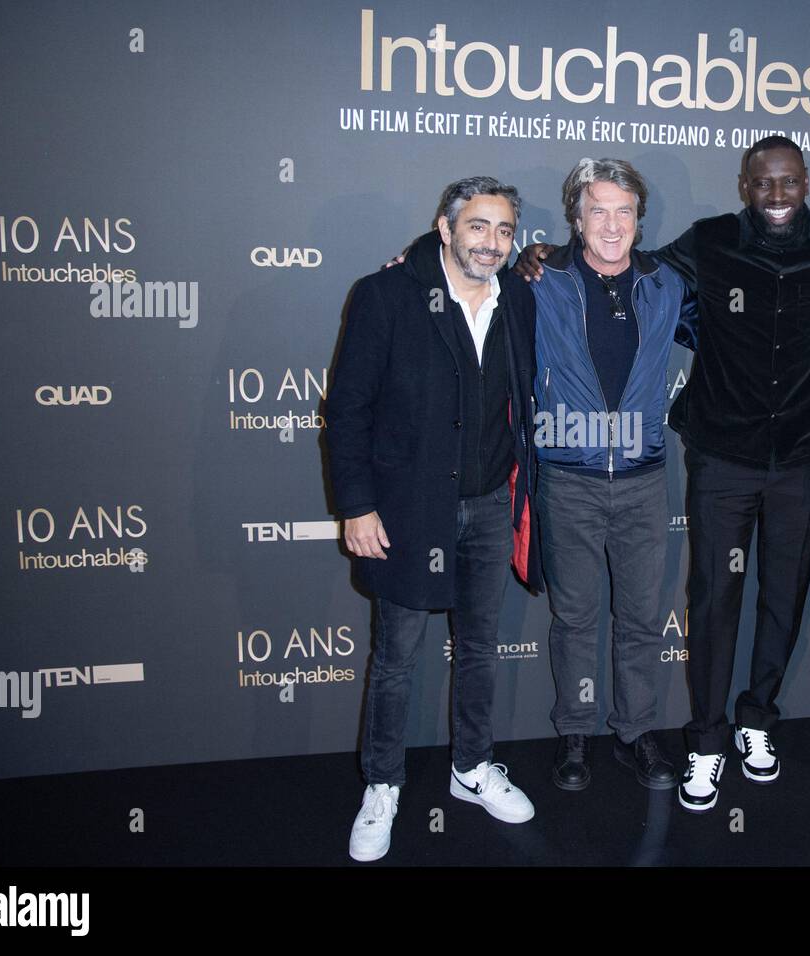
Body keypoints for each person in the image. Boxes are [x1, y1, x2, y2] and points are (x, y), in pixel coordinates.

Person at [518, 137, 810, 813]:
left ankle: (757, 721)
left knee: (783, 602)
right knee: (713, 601)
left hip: (805, 461)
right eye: (764, 183)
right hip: (721, 458)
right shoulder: (708, 242)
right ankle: (708, 739)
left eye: (789, 182)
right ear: (745, 185)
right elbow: (622, 265)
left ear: (805, 183)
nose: (777, 196)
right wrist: (541, 256)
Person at [324, 176, 543, 862]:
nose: (492, 242)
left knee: (479, 648)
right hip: (407, 512)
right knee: (396, 659)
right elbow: (348, 409)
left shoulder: (522, 301)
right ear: (444, 228)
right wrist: (356, 504)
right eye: (477, 226)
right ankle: (382, 784)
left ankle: (472, 766)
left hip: (489, 508)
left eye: (505, 230)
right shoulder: (386, 294)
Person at [531, 158, 696, 792]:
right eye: (597, 209)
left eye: (623, 211)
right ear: (576, 216)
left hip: (643, 479)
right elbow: (460, 255)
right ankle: (575, 731)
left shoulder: (666, 286)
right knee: (572, 617)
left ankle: (636, 731)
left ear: (638, 220)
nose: (610, 223)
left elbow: (754, 309)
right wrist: (410, 257)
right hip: (568, 478)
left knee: (639, 618)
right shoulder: (542, 280)